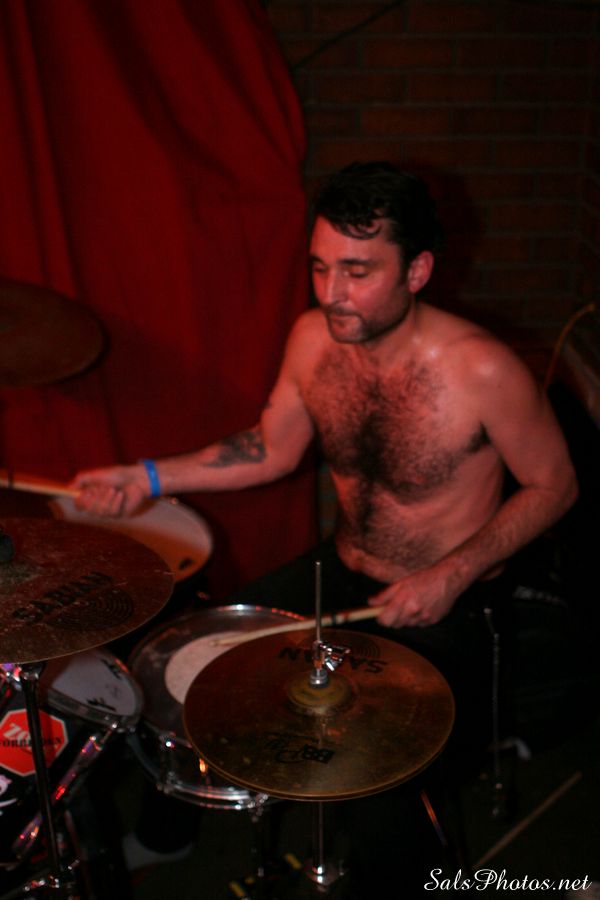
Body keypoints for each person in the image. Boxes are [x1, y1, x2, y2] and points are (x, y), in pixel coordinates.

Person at [72, 161, 578, 890]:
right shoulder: (314, 340)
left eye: (357, 271)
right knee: (191, 664)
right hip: (341, 570)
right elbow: (270, 448)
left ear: (418, 270)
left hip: (448, 604)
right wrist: (145, 477)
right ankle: (169, 833)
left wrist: (452, 573)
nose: (332, 292)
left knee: (374, 779)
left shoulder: (483, 371)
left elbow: (556, 486)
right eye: (319, 267)